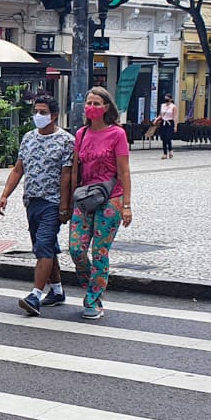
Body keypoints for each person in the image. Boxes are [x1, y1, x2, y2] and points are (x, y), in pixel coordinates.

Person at [0, 95, 74, 316]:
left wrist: (64, 206)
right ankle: (57, 291)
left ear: (54, 115)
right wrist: (5, 195)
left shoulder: (66, 140)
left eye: (43, 112)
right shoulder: (28, 138)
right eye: (36, 111)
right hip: (31, 200)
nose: (38, 116)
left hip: (52, 201)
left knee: (43, 246)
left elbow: (67, 176)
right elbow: (18, 169)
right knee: (45, 248)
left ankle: (35, 295)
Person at [69, 86, 133, 321]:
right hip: (85, 198)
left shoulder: (117, 134)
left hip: (111, 198)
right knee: (76, 250)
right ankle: (91, 287)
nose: (91, 108)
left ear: (106, 108)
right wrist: (67, 202)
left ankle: (93, 298)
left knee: (100, 251)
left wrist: (126, 204)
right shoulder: (81, 134)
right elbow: (76, 169)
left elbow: (124, 172)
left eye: (96, 104)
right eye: (89, 103)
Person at [156, 93, 176, 159]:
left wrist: (175, 126)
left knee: (168, 137)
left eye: (167, 98)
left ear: (170, 99)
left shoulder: (173, 106)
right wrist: (156, 119)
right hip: (163, 122)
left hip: (170, 123)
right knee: (163, 138)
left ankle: (170, 150)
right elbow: (161, 115)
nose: (166, 99)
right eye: (165, 98)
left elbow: (174, 117)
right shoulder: (162, 105)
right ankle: (165, 153)